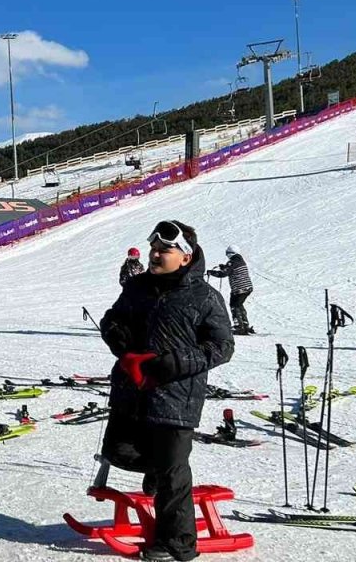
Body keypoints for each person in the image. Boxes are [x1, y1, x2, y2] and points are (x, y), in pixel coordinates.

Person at [99, 220, 235, 561]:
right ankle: (156, 473)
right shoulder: (138, 287)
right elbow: (113, 317)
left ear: (185, 257)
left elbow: (222, 346)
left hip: (175, 396)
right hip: (131, 391)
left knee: (173, 472)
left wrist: (172, 364)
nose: (155, 254)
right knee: (119, 452)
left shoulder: (205, 297)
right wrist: (117, 336)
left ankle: (178, 545)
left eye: (164, 250)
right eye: (154, 249)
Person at [207, 246, 255, 335]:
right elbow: (231, 269)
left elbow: (224, 273)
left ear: (230, 253)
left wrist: (212, 272)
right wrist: (224, 266)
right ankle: (245, 324)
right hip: (247, 287)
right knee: (239, 304)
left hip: (239, 288)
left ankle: (239, 326)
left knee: (234, 305)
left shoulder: (232, 262)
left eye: (227, 254)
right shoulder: (240, 261)